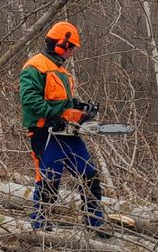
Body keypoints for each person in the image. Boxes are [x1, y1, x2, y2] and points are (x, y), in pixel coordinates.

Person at [17, 20, 107, 235]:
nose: (72, 53)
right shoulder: (35, 66)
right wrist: (51, 115)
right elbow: (29, 98)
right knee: (50, 177)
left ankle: (94, 220)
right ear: (61, 44)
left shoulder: (61, 72)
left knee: (89, 174)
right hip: (44, 131)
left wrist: (75, 105)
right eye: (72, 48)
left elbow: (62, 100)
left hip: (67, 132)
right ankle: (41, 224)